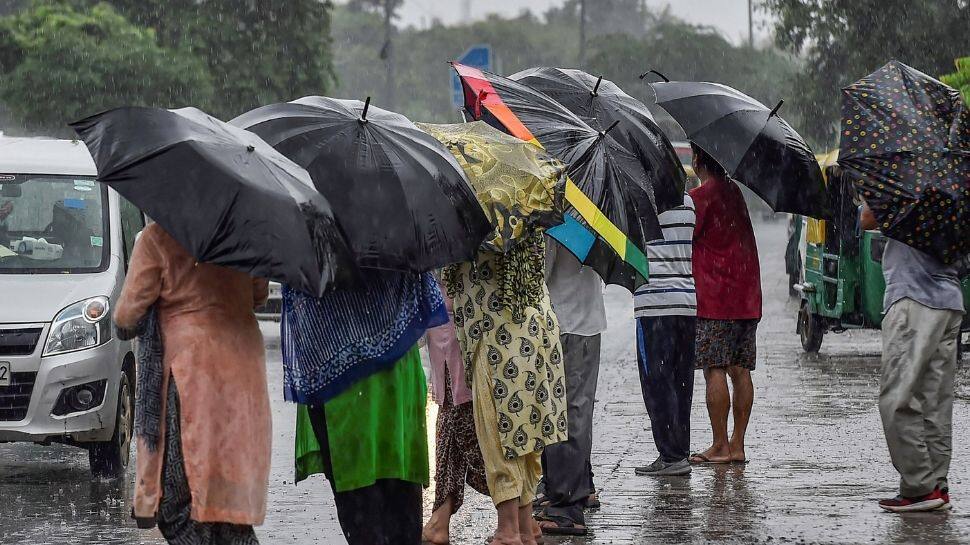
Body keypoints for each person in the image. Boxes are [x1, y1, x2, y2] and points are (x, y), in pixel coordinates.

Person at [113, 222, 271, 545]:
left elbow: (125, 317)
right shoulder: (245, 234)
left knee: (176, 505)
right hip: (242, 378)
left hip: (191, 377)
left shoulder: (159, 237)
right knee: (229, 506)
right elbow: (259, 295)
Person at [281, 269, 447, 545]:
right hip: (396, 367)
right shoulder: (402, 229)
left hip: (337, 372)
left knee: (360, 505)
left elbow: (291, 292)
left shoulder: (312, 232)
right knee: (399, 495)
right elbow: (426, 298)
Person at [443, 230, 567, 545]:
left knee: (499, 436)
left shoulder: (478, 220)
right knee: (528, 436)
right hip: (537, 328)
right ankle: (524, 527)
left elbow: (451, 270)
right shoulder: (527, 211)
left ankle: (508, 530)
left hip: (497, 335)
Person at [860, 203, 966, 513]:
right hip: (949, 300)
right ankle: (937, 485)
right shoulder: (951, 182)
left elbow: (868, 219)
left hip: (913, 300)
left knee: (897, 398)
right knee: (934, 401)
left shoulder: (903, 178)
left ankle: (920, 486)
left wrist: (868, 196)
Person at [687, 142, 761, 466]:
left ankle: (719, 444)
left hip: (716, 297)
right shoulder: (735, 193)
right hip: (746, 296)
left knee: (713, 368)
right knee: (740, 370)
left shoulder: (700, 198)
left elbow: (688, 237)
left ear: (698, 158)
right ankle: (737, 444)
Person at [533, 238, 607, 535]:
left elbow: (540, 274)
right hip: (588, 319)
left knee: (562, 413)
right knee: (577, 409)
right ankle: (570, 488)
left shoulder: (559, 220)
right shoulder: (597, 218)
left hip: (562, 322)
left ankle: (566, 507)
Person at [633, 193, 697, 476]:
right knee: (682, 382)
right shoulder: (688, 204)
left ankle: (670, 455)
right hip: (686, 302)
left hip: (654, 304)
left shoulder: (639, 203)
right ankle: (680, 450)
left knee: (657, 383)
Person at [421, 281, 489, 545]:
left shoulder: (452, 245)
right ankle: (440, 517)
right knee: (451, 430)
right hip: (452, 337)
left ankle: (518, 512)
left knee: (467, 431)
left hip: (459, 339)